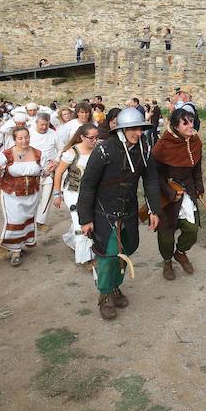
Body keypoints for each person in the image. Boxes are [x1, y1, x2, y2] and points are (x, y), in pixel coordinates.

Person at [77, 107, 161, 320]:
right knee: (107, 255)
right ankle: (105, 294)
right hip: (104, 211)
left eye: (140, 128)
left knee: (127, 250)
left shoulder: (144, 148)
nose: (138, 133)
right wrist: (85, 218)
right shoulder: (104, 149)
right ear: (122, 129)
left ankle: (115, 286)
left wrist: (154, 209)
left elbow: (150, 180)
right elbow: (87, 185)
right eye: (133, 128)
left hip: (129, 210)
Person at [152, 108, 205, 279]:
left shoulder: (195, 141)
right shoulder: (163, 145)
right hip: (168, 193)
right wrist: (168, 192)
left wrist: (199, 186)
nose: (191, 125)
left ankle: (180, 252)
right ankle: (167, 262)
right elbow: (155, 174)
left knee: (192, 229)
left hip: (188, 190)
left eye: (192, 121)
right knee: (166, 233)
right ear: (175, 126)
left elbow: (196, 168)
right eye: (185, 122)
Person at [0, 127, 46, 266]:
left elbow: (43, 172)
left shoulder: (38, 153)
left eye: (26, 137)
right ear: (14, 140)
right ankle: (15, 251)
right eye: (20, 138)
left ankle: (20, 243)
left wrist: (48, 170)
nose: (24, 140)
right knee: (15, 221)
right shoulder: (6, 154)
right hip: (12, 195)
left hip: (31, 194)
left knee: (26, 220)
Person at [53, 123, 99, 264]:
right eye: (91, 138)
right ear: (82, 137)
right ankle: (86, 259)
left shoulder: (99, 149)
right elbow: (59, 172)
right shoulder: (72, 153)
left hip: (92, 193)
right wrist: (57, 193)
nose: (94, 140)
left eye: (96, 137)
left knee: (89, 219)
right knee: (81, 224)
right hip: (74, 192)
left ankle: (71, 239)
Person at [28, 113, 59, 231]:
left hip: (49, 170)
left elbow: (60, 148)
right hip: (32, 170)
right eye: (42, 125)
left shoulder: (53, 134)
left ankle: (40, 221)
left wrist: (56, 161)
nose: (44, 127)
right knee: (33, 197)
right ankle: (29, 221)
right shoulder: (29, 134)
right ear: (36, 123)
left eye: (46, 124)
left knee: (47, 197)